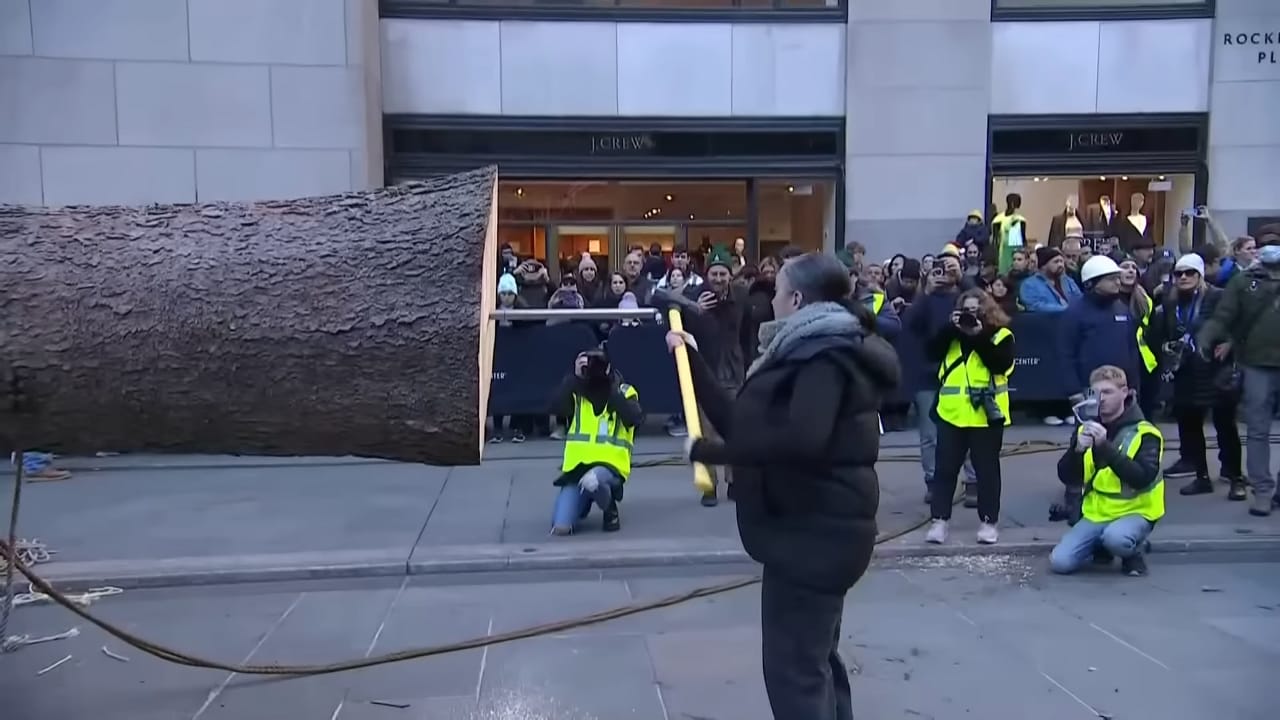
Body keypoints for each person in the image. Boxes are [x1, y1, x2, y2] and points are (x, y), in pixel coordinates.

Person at [666, 251, 897, 720]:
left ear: (795, 298)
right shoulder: (802, 348)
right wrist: (689, 359)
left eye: (776, 291)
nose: (768, 299)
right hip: (804, 532)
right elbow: (744, 425)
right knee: (814, 662)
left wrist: (712, 455)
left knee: (795, 673)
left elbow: (801, 440)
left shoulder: (824, 357)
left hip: (816, 538)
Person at [1048, 365, 1164, 577]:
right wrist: (1077, 450)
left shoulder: (1146, 432)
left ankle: (1133, 551)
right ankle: (1100, 545)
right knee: (1060, 563)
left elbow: (1141, 478)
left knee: (1116, 539)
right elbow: (1068, 477)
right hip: (1097, 513)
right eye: (1096, 393)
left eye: (1108, 392)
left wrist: (1104, 447)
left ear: (1125, 392)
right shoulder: (1086, 427)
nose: (1101, 399)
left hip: (1136, 512)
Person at [1145, 253, 1244, 500]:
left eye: (1190, 273)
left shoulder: (1219, 297)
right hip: (1185, 370)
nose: (1184, 278)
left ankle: (1234, 477)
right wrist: (1166, 348)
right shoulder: (1170, 302)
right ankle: (1201, 476)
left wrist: (1230, 344)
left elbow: (1241, 323)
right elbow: (1157, 332)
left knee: (1225, 426)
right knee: (1189, 426)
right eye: (1179, 274)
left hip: (1216, 368)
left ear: (1200, 275)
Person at [923, 288, 1015, 545]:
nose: (971, 316)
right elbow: (930, 352)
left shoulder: (1001, 335)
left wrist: (978, 335)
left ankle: (988, 522)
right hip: (952, 413)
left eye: (976, 311)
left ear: (987, 311)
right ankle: (939, 521)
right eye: (966, 311)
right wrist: (949, 329)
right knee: (945, 470)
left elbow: (1000, 364)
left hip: (987, 416)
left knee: (987, 471)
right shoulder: (952, 336)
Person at [1197, 233, 1280, 516]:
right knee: (1257, 429)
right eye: (1266, 243)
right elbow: (1224, 315)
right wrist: (1206, 337)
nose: (1270, 248)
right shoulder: (1244, 282)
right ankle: (1263, 490)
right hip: (1257, 364)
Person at [680, 247, 753, 507]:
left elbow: (748, 332)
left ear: (730, 275)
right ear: (706, 273)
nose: (719, 278)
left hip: (734, 372)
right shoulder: (693, 296)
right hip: (706, 372)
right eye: (714, 273)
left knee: (737, 430)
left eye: (723, 273)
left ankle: (736, 482)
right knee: (706, 432)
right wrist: (694, 309)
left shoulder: (742, 296)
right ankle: (709, 486)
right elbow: (659, 301)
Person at [904, 254, 979, 504]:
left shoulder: (965, 298)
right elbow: (910, 325)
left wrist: (963, 281)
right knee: (930, 435)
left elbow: (988, 311)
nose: (942, 275)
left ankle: (972, 482)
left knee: (968, 429)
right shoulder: (924, 300)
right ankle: (934, 482)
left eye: (948, 269)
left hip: (962, 372)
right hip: (928, 374)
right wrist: (925, 292)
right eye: (937, 271)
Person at [550, 343, 643, 535]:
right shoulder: (577, 391)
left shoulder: (624, 391)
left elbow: (634, 418)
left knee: (593, 480)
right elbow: (557, 408)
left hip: (609, 466)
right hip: (577, 468)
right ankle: (583, 502)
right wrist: (574, 377)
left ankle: (610, 509)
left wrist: (610, 387)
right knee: (561, 527)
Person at [1060, 255, 1143, 399]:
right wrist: (1073, 391)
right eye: (1111, 279)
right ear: (1090, 283)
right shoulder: (1075, 312)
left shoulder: (1122, 308)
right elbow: (1065, 354)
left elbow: (1132, 349)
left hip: (1122, 388)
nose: (1118, 282)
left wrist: (1133, 384)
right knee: (1092, 422)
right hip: (1089, 389)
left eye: (1118, 278)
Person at [1018, 247, 1082, 313]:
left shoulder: (1068, 281)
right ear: (1043, 266)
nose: (1060, 265)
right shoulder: (1029, 284)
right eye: (1056, 262)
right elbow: (1036, 306)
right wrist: (1066, 309)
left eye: (1061, 261)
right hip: (1048, 321)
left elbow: (1080, 299)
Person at [993, 194, 1028, 274]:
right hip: (1003, 256)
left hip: (1016, 255)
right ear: (1012, 203)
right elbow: (995, 241)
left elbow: (1023, 240)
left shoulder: (1020, 220)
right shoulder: (998, 220)